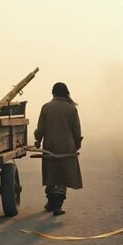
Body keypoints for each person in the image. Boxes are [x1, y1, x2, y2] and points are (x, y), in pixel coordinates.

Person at [34, 82, 83, 216]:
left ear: (53, 93)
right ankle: (57, 206)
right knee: (63, 175)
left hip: (50, 145)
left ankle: (51, 202)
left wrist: (38, 140)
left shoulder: (46, 107)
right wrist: (77, 144)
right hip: (67, 146)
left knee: (52, 173)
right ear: (66, 93)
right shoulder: (71, 109)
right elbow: (76, 130)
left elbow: (41, 128)